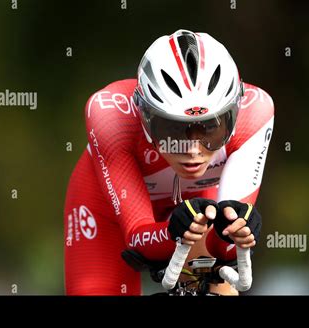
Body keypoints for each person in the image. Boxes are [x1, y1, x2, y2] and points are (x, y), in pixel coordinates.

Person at [64, 29, 274, 295]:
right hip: (105, 209)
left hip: (198, 203)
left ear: (234, 114)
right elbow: (138, 238)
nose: (193, 150)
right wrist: (173, 232)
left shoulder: (256, 113)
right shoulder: (111, 117)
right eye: (173, 130)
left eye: (210, 129)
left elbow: (224, 249)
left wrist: (235, 232)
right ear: (144, 117)